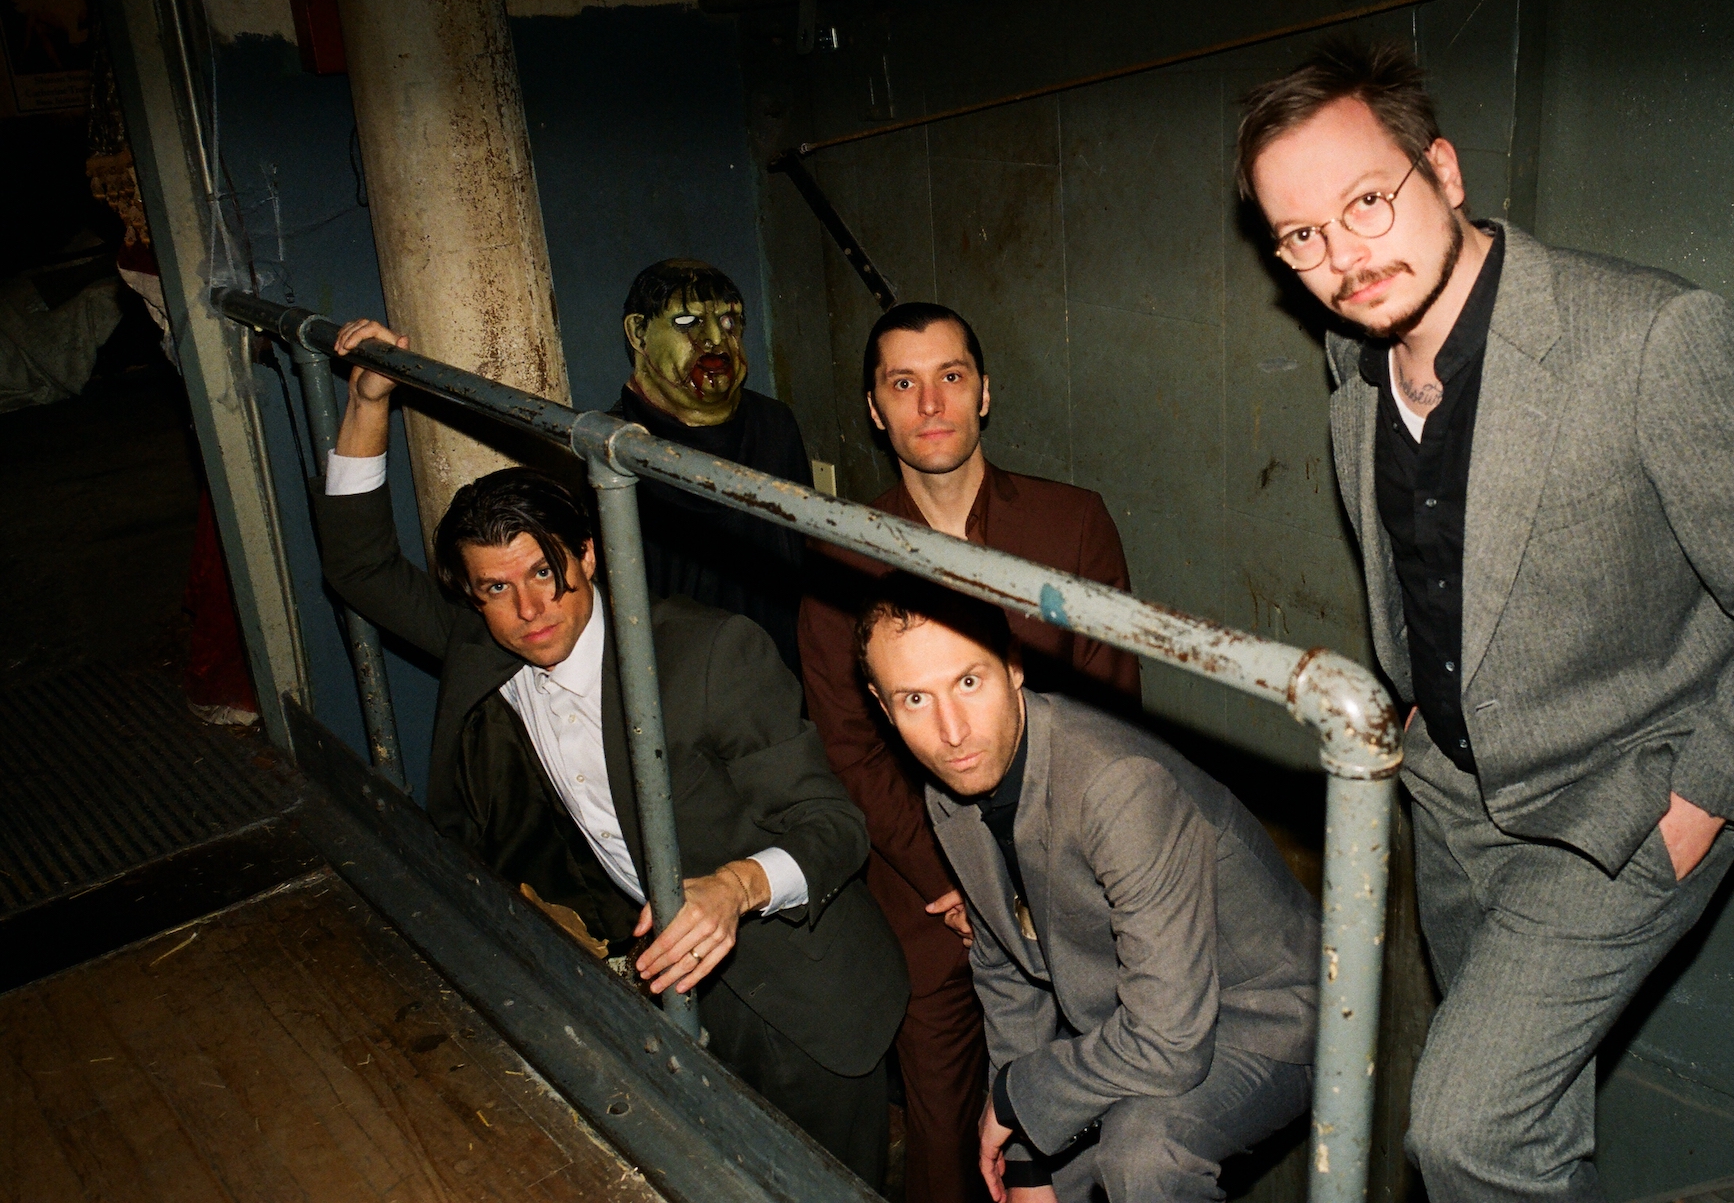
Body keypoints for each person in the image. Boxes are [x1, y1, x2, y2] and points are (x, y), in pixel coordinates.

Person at [1236, 38, 1734, 1203]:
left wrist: (1698, 805)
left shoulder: (1650, 340)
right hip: (1450, 804)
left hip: (1620, 806)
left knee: (1464, 1133)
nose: (1341, 257)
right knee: (1522, 1137)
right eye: (1300, 235)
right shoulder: (1353, 367)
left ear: (1442, 171)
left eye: (1365, 202)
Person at [313, 319, 908, 1184]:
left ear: (589, 553)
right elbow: (358, 568)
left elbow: (834, 827)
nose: (529, 610)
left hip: (801, 992)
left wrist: (736, 888)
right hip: (661, 986)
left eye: (544, 571)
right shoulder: (487, 648)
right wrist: (371, 398)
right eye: (495, 589)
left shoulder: (708, 654)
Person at [795, 302, 1141, 1203]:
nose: (930, 404)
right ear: (875, 410)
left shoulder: (1072, 524)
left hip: (1067, 869)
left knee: (1098, 1121)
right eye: (902, 383)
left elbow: (1113, 709)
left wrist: (1036, 870)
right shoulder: (841, 550)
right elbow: (847, 740)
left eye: (950, 377)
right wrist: (950, 874)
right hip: (929, 885)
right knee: (945, 1131)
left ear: (984, 392)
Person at [857, 578, 1318, 1203]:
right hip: (1139, 1018)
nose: (952, 731)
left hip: (1265, 1012)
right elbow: (1006, 970)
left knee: (1142, 1151)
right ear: (884, 708)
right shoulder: (951, 787)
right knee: (1047, 1176)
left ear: (1013, 666)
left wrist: (1015, 1097)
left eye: (968, 681)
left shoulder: (1116, 786)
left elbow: (1169, 1044)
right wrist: (1026, 1164)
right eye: (915, 698)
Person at [617, 259, 813, 673]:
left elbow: (805, 566)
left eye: (728, 321)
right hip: (677, 684)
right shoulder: (611, 449)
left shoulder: (774, 426)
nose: (714, 340)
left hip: (781, 675)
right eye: (687, 322)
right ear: (639, 333)